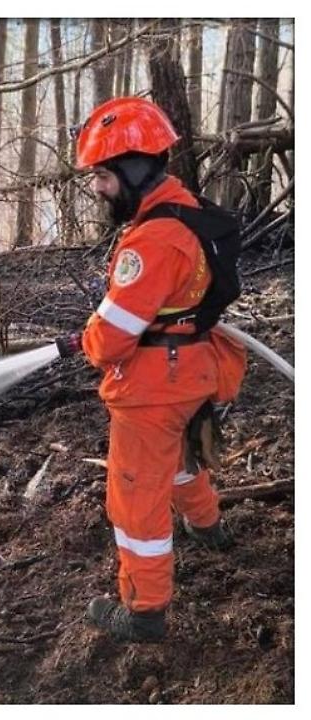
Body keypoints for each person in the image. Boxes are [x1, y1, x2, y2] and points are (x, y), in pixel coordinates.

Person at [53, 97, 245, 642]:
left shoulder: (154, 239)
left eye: (103, 176)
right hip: (192, 370)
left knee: (135, 499)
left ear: (133, 170)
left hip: (153, 388)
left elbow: (111, 340)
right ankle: (209, 528)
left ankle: (143, 612)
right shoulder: (182, 207)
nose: (98, 188)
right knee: (183, 459)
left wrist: (88, 343)